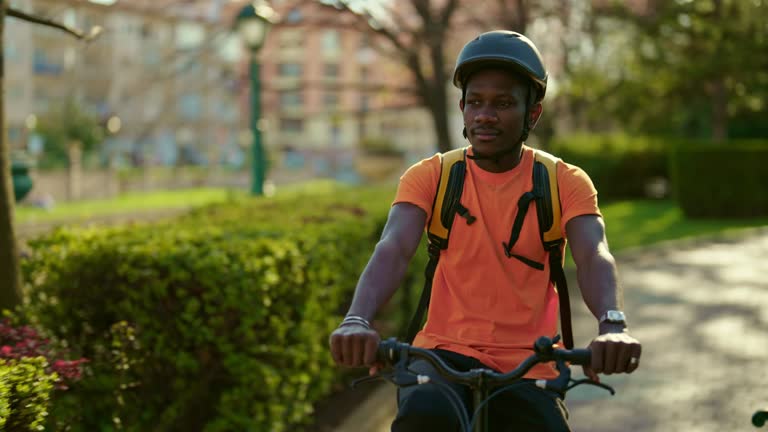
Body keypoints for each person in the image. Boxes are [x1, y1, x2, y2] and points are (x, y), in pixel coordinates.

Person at [329, 30, 642, 432]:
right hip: (442, 355)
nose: (485, 115)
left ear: (533, 114)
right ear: (461, 108)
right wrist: (357, 319)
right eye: (474, 102)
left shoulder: (564, 181)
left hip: (533, 361)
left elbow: (594, 254)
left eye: (503, 103)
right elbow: (393, 247)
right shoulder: (433, 176)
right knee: (424, 416)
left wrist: (612, 326)